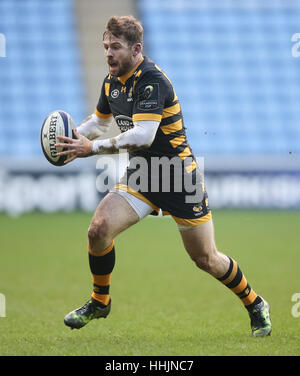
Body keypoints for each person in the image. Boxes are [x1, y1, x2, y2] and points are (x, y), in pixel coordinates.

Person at [55, 15, 271, 337]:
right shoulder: (111, 83)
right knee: (98, 230)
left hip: (177, 177)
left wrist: (93, 149)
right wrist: (73, 137)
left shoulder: (152, 81)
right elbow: (99, 123)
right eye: (105, 47)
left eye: (115, 47)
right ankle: (100, 301)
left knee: (206, 258)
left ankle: (255, 303)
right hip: (142, 175)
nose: (108, 54)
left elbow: (142, 135)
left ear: (136, 48)